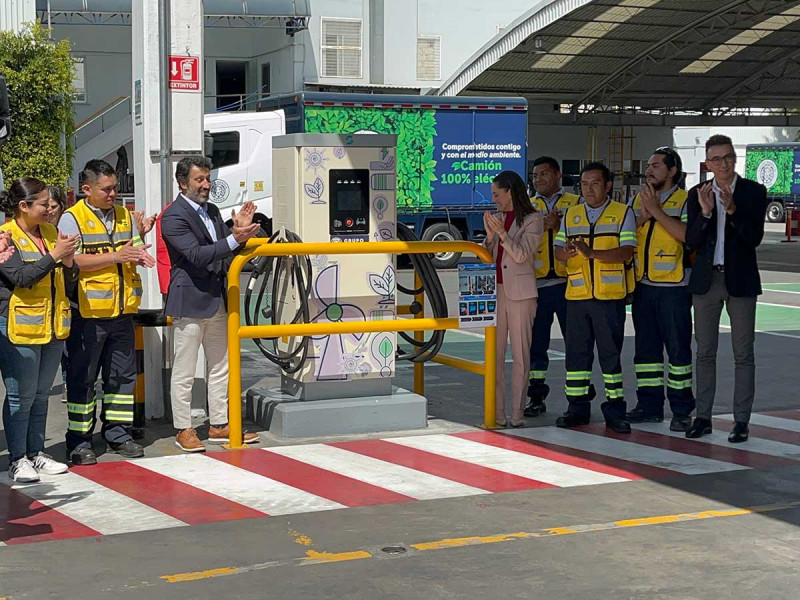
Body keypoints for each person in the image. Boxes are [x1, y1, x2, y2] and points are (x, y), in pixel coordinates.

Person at [58, 159, 155, 465]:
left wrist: (140, 250)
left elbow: (135, 246)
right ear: (87, 189)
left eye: (115, 188)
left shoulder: (125, 215)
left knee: (121, 379)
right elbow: (69, 261)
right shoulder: (72, 219)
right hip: (87, 315)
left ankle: (118, 434)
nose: (114, 194)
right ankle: (79, 441)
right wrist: (117, 256)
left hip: (122, 312)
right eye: (107, 189)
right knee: (83, 379)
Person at [161, 156, 261, 452]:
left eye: (207, 179)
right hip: (189, 300)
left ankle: (219, 424)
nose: (206, 186)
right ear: (183, 183)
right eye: (199, 180)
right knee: (185, 370)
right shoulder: (173, 216)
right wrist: (234, 237)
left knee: (221, 366)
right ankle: (183, 427)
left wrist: (239, 236)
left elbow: (222, 252)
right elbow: (197, 255)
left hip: (217, 299)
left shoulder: (213, 211)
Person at [685, 135, 768, 443]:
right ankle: (703, 417)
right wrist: (706, 213)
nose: (724, 164)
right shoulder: (697, 193)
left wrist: (732, 210)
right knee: (705, 352)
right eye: (717, 159)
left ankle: (741, 420)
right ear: (708, 163)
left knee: (743, 353)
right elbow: (691, 241)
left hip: (741, 280)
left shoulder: (753, 192)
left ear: (735, 159)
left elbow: (753, 238)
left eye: (729, 157)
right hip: (707, 281)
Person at [0, 177, 79, 482]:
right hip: (18, 326)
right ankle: (17, 458)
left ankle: (36, 453)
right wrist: (56, 256)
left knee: (42, 394)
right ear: (23, 206)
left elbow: (65, 277)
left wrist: (68, 261)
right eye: (44, 203)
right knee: (21, 395)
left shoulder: (49, 233)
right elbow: (21, 277)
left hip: (51, 324)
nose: (50, 209)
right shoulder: (6, 237)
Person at [554, 162, 636, 433]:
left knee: (610, 357)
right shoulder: (571, 214)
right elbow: (558, 252)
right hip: (577, 297)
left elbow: (626, 252)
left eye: (595, 183)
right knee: (576, 357)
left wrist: (591, 254)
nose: (588, 189)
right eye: (584, 184)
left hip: (608, 298)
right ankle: (576, 409)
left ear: (608, 185)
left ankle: (615, 411)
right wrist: (568, 252)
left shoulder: (622, 213)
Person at [626, 148, 695, 431]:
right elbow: (628, 234)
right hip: (643, 286)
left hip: (674, 288)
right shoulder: (637, 200)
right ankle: (649, 405)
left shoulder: (686, 200)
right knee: (645, 352)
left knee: (678, 352)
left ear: (673, 170)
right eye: (648, 165)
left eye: (656, 166)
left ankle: (681, 411)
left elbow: (688, 236)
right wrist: (643, 215)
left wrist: (656, 212)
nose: (649, 170)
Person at [483, 170, 543, 427]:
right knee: (494, 355)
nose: (494, 200)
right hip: (496, 292)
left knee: (521, 355)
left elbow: (521, 255)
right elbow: (486, 257)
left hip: (520, 295)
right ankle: (496, 413)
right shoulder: (495, 219)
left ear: (510, 191)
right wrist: (488, 238)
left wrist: (503, 235)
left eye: (497, 194)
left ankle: (517, 414)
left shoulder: (533, 219)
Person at [525, 157, 581, 417]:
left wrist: (558, 227)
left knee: (575, 342)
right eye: (535, 175)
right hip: (536, 286)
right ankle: (536, 397)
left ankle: (578, 396)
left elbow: (583, 238)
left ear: (558, 175)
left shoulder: (575, 204)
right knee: (537, 345)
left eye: (544, 174)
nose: (538, 179)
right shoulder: (527, 206)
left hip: (567, 284)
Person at [46, 185, 70, 402]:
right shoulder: (41, 231)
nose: (49, 210)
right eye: (46, 206)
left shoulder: (67, 228)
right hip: (48, 300)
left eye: (53, 206)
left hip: (68, 297)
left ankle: (67, 383)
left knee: (68, 347)